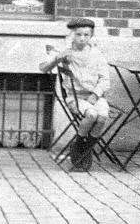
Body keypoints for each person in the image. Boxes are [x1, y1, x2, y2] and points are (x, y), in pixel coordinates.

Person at [39, 18, 110, 171]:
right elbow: (43, 68)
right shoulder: (66, 52)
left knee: (102, 116)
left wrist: (96, 95)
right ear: (72, 35)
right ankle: (79, 143)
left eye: (86, 35)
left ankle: (86, 148)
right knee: (91, 115)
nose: (82, 38)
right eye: (78, 34)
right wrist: (57, 59)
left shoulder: (96, 54)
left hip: (95, 96)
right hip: (75, 97)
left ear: (91, 36)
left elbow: (105, 80)